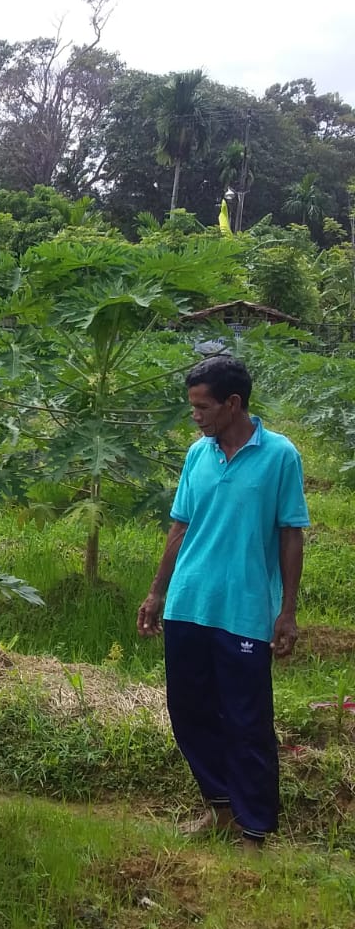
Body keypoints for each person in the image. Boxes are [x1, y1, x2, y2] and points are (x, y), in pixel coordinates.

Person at [137, 355, 309, 850]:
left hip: (245, 612)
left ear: (233, 404)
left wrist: (288, 610)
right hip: (189, 604)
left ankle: (254, 828)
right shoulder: (198, 455)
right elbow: (180, 526)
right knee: (187, 710)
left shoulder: (280, 456)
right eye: (193, 406)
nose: (196, 415)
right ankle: (220, 807)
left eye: (203, 406)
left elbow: (290, 535)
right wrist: (156, 591)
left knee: (246, 720)